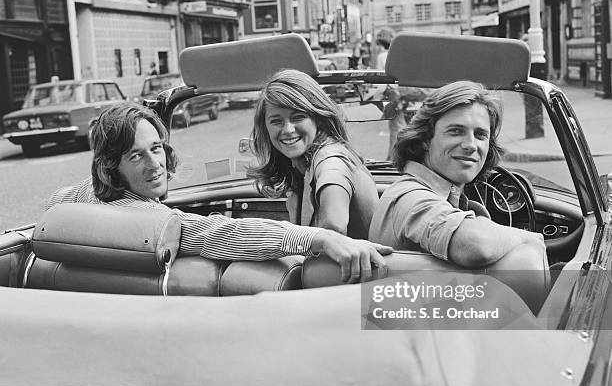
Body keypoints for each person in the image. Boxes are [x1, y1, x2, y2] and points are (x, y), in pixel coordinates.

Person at [45, 103, 392, 283]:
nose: (155, 164)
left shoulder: (75, 200)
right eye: (136, 155)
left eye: (156, 148)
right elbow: (225, 233)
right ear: (111, 166)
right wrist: (318, 239)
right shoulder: (158, 223)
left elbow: (57, 200)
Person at [368, 80, 547, 269]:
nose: (470, 145)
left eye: (480, 135)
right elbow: (476, 245)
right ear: (425, 140)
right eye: (456, 131)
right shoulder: (410, 197)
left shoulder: (437, 194)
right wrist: (530, 238)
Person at [248, 69, 379, 239]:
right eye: (276, 121)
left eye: (298, 117)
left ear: (318, 118)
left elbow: (334, 226)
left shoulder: (331, 161)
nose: (288, 130)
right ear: (265, 127)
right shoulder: (303, 166)